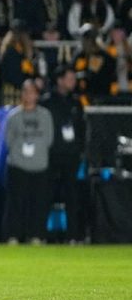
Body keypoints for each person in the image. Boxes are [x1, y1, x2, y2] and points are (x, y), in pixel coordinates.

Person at [3, 79, 54, 244]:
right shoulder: (14, 116)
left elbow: (49, 139)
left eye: (31, 91)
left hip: (39, 166)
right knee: (16, 203)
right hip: (18, 165)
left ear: (37, 95)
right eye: (25, 91)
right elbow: (8, 141)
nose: (28, 95)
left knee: (38, 204)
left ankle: (36, 235)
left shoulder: (45, 115)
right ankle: (13, 235)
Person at [41, 66, 87, 243]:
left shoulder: (76, 102)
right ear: (59, 80)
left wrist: (80, 150)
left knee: (72, 197)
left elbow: (82, 130)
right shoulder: (47, 102)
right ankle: (43, 234)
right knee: (47, 196)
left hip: (71, 157)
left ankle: (72, 236)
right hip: (51, 155)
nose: (73, 82)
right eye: (69, 78)